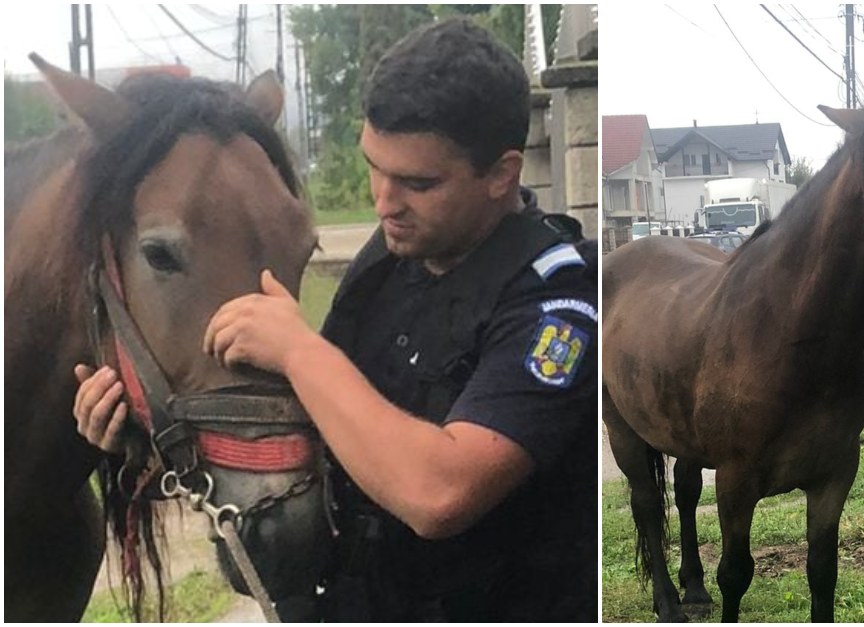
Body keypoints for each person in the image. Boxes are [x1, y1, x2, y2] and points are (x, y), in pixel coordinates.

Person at [72, 18, 597, 622]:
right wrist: (145, 430)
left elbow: (441, 493)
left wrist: (300, 351)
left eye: (418, 183)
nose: (383, 201)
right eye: (374, 165)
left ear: (502, 175)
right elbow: (327, 422)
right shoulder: (390, 258)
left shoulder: (557, 307)